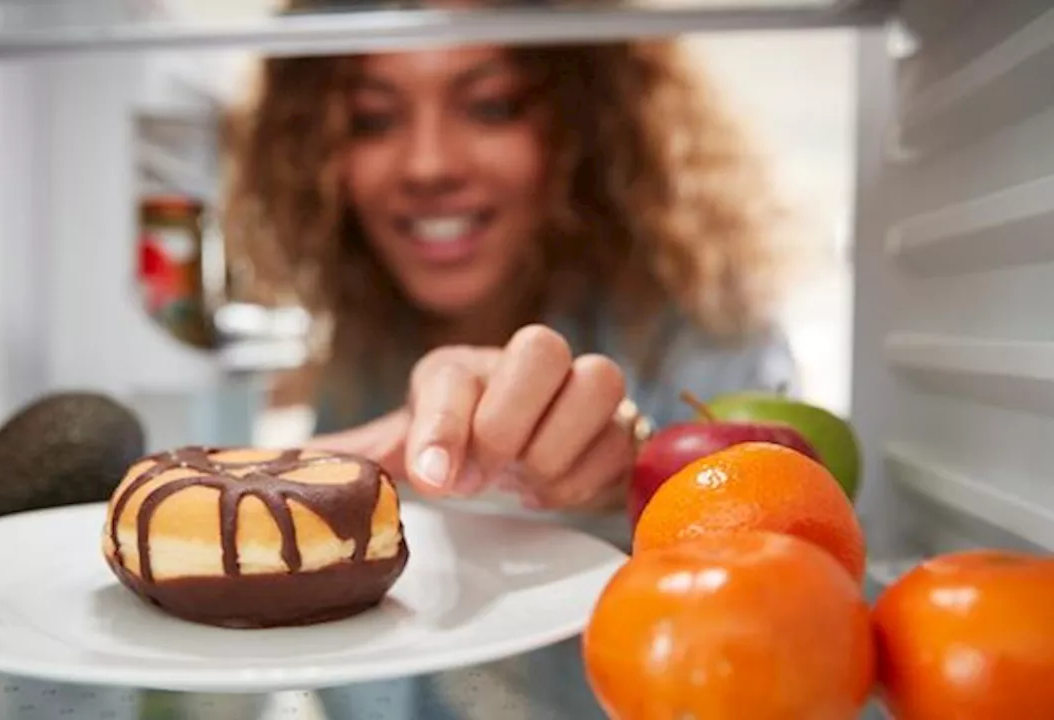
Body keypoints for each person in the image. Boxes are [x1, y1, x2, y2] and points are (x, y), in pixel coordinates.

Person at [220, 1, 808, 716]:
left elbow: (798, 623)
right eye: (372, 119)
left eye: (491, 107)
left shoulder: (711, 329)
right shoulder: (365, 340)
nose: (428, 165)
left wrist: (632, 485)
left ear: (583, 125)